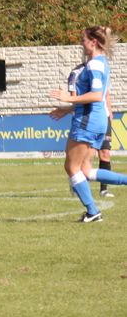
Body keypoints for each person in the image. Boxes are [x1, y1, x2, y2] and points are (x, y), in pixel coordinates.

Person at [48, 25, 127, 221]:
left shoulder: (94, 65)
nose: (81, 43)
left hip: (88, 121)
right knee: (85, 170)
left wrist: (69, 99)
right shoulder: (101, 63)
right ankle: (94, 210)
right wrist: (66, 110)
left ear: (93, 42)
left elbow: (96, 95)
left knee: (72, 167)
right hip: (96, 119)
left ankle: (93, 212)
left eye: (83, 39)